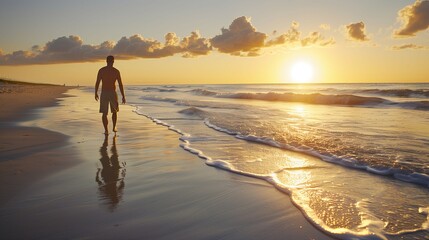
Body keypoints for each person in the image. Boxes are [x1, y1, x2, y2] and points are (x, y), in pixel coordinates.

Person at [95, 55, 126, 134]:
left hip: (104, 92)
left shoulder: (101, 70)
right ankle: (114, 127)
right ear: (113, 61)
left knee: (104, 113)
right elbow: (120, 84)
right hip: (112, 92)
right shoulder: (116, 71)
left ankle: (106, 130)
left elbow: (97, 82)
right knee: (114, 111)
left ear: (106, 61)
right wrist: (123, 96)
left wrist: (96, 93)